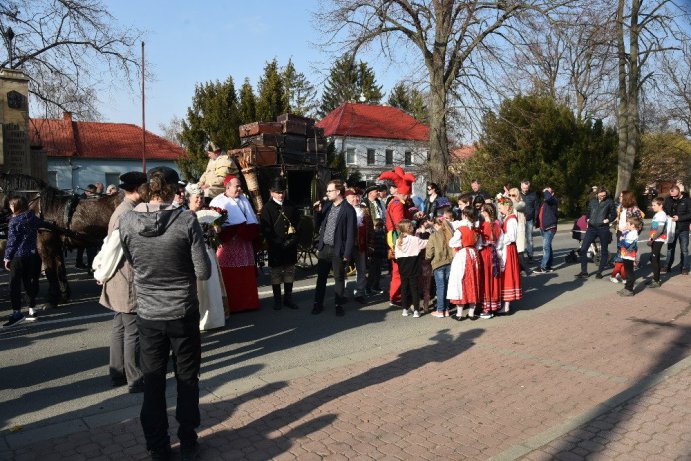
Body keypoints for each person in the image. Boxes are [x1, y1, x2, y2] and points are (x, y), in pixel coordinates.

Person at [118, 166, 211, 460]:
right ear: (172, 189)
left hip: (148, 312)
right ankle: (187, 438)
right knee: (187, 378)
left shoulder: (127, 220)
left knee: (153, 383)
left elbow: (132, 262)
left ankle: (157, 445)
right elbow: (203, 271)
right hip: (181, 310)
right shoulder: (185, 220)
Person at [98, 171, 147, 392]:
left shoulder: (123, 208)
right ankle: (135, 378)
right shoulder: (128, 213)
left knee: (120, 326)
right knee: (132, 330)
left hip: (119, 277)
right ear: (138, 189)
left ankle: (117, 372)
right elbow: (113, 248)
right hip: (126, 277)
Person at [210, 176, 260, 313]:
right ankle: (232, 305)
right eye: (236, 186)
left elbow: (250, 220)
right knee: (229, 275)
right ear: (228, 187)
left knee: (245, 274)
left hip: (244, 244)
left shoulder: (244, 199)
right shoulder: (218, 201)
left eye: (240, 186)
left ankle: (249, 303)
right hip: (228, 245)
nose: (239, 188)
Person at [312, 179, 357, 317]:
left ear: (338, 192)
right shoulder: (326, 206)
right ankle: (318, 304)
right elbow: (317, 226)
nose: (327, 193)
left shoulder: (348, 210)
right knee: (321, 278)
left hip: (338, 249)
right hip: (324, 247)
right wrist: (317, 212)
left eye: (330, 190)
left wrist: (347, 253)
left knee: (339, 278)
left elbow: (351, 234)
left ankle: (338, 304)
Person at [187, 183, 226, 331]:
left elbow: (216, 234)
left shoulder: (208, 213)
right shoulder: (184, 214)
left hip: (208, 252)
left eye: (201, 197)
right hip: (193, 255)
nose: (199, 200)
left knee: (211, 287)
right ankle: (198, 320)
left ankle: (214, 319)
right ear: (190, 199)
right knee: (197, 290)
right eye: (197, 197)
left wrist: (215, 230)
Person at [259, 177, 301, 311]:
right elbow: (266, 229)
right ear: (271, 192)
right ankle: (277, 299)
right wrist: (277, 242)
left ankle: (288, 298)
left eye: (282, 192)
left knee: (289, 271)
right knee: (276, 273)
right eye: (277, 192)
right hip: (275, 247)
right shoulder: (267, 208)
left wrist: (293, 239)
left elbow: (298, 224)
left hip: (290, 245)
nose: (281, 195)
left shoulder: (291, 205)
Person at [378, 167, 417, 307]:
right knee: (399, 270)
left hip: (395, 238)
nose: (408, 197)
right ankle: (396, 296)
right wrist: (413, 222)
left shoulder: (396, 202)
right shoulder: (398, 205)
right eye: (407, 195)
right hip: (398, 239)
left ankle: (397, 295)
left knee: (398, 269)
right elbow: (401, 225)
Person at [3, 196, 42, 326]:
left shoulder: (14, 222)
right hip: (31, 255)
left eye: (11, 205)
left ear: (17, 206)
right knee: (28, 282)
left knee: (14, 284)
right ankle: (32, 310)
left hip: (18, 256)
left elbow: (12, 242)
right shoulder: (32, 217)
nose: (10, 207)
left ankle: (17, 313)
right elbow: (43, 224)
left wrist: (7, 257)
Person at [446, 208, 480, 320]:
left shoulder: (461, 229)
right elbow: (479, 245)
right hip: (473, 254)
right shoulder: (475, 229)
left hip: (463, 255)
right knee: (473, 281)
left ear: (464, 215)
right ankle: (471, 313)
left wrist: (460, 244)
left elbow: (452, 243)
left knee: (460, 281)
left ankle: (459, 314)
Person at [576, 186, 616, 279]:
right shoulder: (592, 201)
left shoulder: (609, 201)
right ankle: (584, 272)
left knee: (604, 250)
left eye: (604, 195)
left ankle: (600, 272)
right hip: (591, 228)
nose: (603, 197)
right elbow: (588, 212)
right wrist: (588, 219)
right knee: (583, 249)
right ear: (597, 194)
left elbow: (614, 214)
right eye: (601, 195)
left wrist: (608, 220)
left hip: (603, 228)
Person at [394, 220, 429, 318]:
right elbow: (426, 243)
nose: (413, 227)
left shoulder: (398, 240)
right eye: (411, 226)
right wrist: (424, 233)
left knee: (404, 288)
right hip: (414, 265)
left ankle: (405, 309)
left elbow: (396, 256)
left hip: (403, 265)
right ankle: (416, 310)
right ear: (409, 228)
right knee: (414, 288)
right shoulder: (415, 239)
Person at [345, 188, 373, 304]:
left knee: (361, 269)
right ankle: (342, 293)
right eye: (353, 197)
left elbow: (370, 227)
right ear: (347, 198)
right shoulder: (344, 209)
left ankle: (359, 293)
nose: (356, 199)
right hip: (346, 244)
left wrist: (371, 244)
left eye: (357, 197)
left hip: (361, 244)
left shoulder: (365, 210)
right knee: (343, 269)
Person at [497, 197, 522, 314]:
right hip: (506, 248)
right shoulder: (506, 218)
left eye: (500, 207)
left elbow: (511, 237)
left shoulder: (511, 219)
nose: (499, 209)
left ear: (507, 207)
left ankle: (506, 306)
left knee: (507, 275)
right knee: (505, 275)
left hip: (508, 249)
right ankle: (505, 304)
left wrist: (500, 239)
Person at [425, 217, 454, 318]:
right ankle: (446, 309)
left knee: (440, 287)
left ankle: (441, 310)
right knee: (447, 286)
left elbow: (429, 253)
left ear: (437, 225)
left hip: (438, 263)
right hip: (450, 262)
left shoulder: (434, 236)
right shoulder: (450, 234)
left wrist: (427, 258)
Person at [478, 203, 503, 319]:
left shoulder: (483, 226)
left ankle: (487, 308)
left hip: (485, 254)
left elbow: (479, 242)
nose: (481, 212)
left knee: (486, 279)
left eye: (482, 211)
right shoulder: (496, 226)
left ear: (486, 212)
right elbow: (500, 243)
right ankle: (495, 305)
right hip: (494, 253)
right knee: (493, 279)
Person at [662, 185, 690, 275]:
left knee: (684, 249)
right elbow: (665, 209)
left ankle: (684, 267)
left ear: (678, 191)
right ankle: (667, 266)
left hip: (683, 228)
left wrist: (679, 218)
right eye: (671, 195)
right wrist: (667, 216)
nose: (672, 197)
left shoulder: (687, 200)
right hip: (671, 228)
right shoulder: (669, 199)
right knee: (670, 248)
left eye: (674, 195)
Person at [617, 216, 642, 297]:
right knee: (627, 272)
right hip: (626, 255)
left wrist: (622, 240)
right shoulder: (630, 231)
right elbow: (624, 235)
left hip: (629, 256)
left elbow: (627, 245)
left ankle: (630, 290)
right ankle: (627, 288)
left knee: (629, 273)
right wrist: (624, 230)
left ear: (633, 226)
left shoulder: (633, 233)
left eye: (628, 223)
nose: (626, 224)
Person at [536, 187, 558, 274]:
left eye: (548, 192)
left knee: (546, 248)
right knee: (548, 247)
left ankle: (543, 267)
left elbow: (548, 197)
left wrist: (545, 190)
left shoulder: (553, 200)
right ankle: (548, 266)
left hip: (550, 228)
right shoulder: (545, 202)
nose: (545, 193)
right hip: (544, 228)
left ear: (552, 193)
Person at [648, 197, 669, 288]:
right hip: (655, 239)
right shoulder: (657, 214)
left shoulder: (662, 214)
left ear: (661, 205)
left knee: (654, 259)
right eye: (652, 205)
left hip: (658, 239)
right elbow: (654, 228)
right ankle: (655, 278)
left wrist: (652, 239)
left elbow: (660, 229)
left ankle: (656, 280)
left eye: (654, 205)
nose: (652, 207)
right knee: (654, 259)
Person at [366, 218, 387, 295]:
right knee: (372, 273)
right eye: (378, 226)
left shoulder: (382, 233)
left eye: (380, 226)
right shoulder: (374, 233)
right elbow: (372, 245)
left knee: (377, 272)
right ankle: (368, 288)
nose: (379, 227)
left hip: (379, 255)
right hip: (374, 255)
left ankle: (375, 286)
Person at [520, 180, 538, 260]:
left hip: (529, 220)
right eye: (524, 188)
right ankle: (520, 256)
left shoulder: (533, 195)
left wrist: (535, 221)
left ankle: (530, 255)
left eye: (527, 188)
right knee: (520, 238)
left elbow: (536, 208)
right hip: (519, 220)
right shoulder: (518, 195)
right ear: (521, 186)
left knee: (529, 238)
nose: (525, 189)